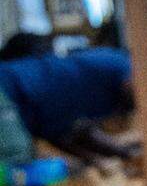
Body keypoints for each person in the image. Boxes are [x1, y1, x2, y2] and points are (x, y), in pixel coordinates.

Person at [0, 48, 132, 145]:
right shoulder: (122, 65)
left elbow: (68, 133)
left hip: (26, 112)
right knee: (17, 153)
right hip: (12, 88)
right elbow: (132, 85)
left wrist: (116, 150)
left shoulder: (112, 101)